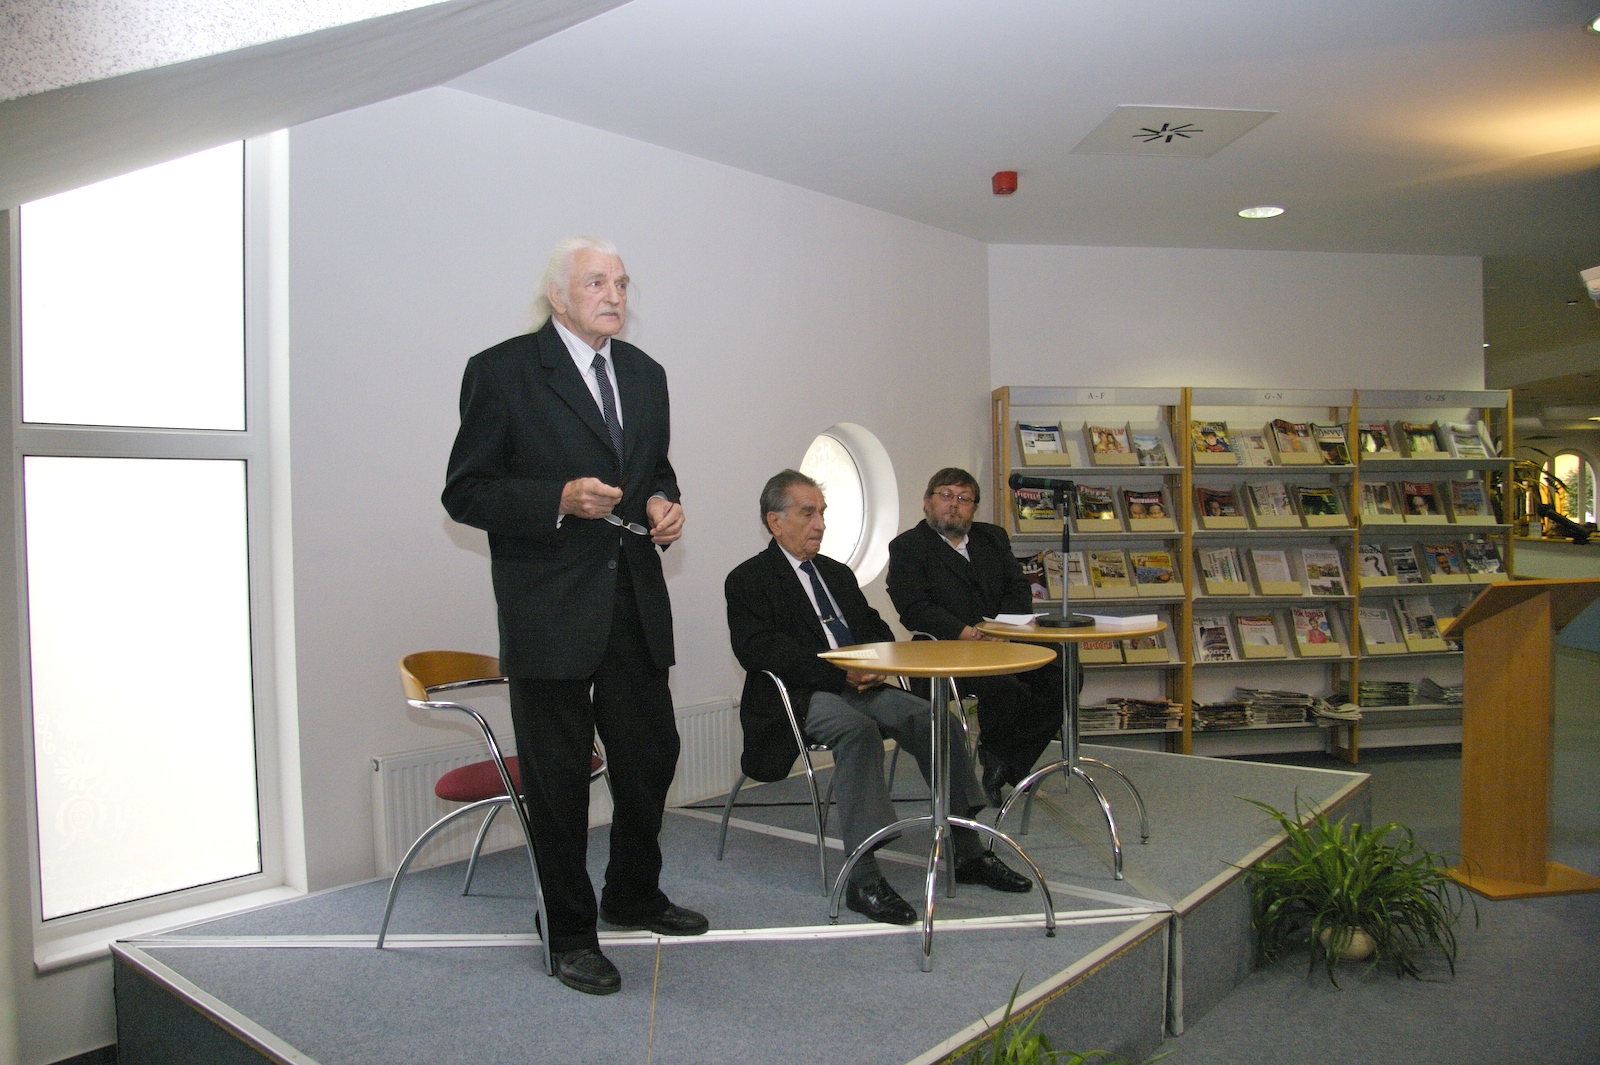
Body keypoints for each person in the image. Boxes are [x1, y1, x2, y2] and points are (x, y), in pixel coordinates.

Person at [442, 236, 706, 997]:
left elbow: (654, 468)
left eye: (621, 282)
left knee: (651, 754)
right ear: (558, 295)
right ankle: (568, 932)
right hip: (549, 607)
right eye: (596, 282)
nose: (614, 294)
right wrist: (556, 498)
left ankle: (633, 893)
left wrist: (662, 502)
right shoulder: (501, 371)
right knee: (558, 780)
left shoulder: (646, 374)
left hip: (634, 600)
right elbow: (466, 491)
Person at [724, 470, 1032, 925]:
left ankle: (966, 852)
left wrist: (875, 661)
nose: (820, 524)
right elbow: (759, 650)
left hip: (862, 684)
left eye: (822, 513)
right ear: (775, 521)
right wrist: (838, 670)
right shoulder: (748, 578)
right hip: (803, 693)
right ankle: (863, 877)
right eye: (808, 513)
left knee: (938, 721)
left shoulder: (836, 573)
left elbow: (875, 626)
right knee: (858, 731)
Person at [886, 468, 1066, 807]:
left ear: (974, 508)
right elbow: (914, 608)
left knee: (1063, 669)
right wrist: (968, 633)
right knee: (1005, 685)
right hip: (945, 647)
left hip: (1002, 638)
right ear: (927, 502)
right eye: (945, 495)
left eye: (964, 498)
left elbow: (1017, 589)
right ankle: (999, 757)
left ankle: (1006, 760)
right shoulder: (908, 546)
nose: (954, 504)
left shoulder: (992, 538)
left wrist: (1000, 630)